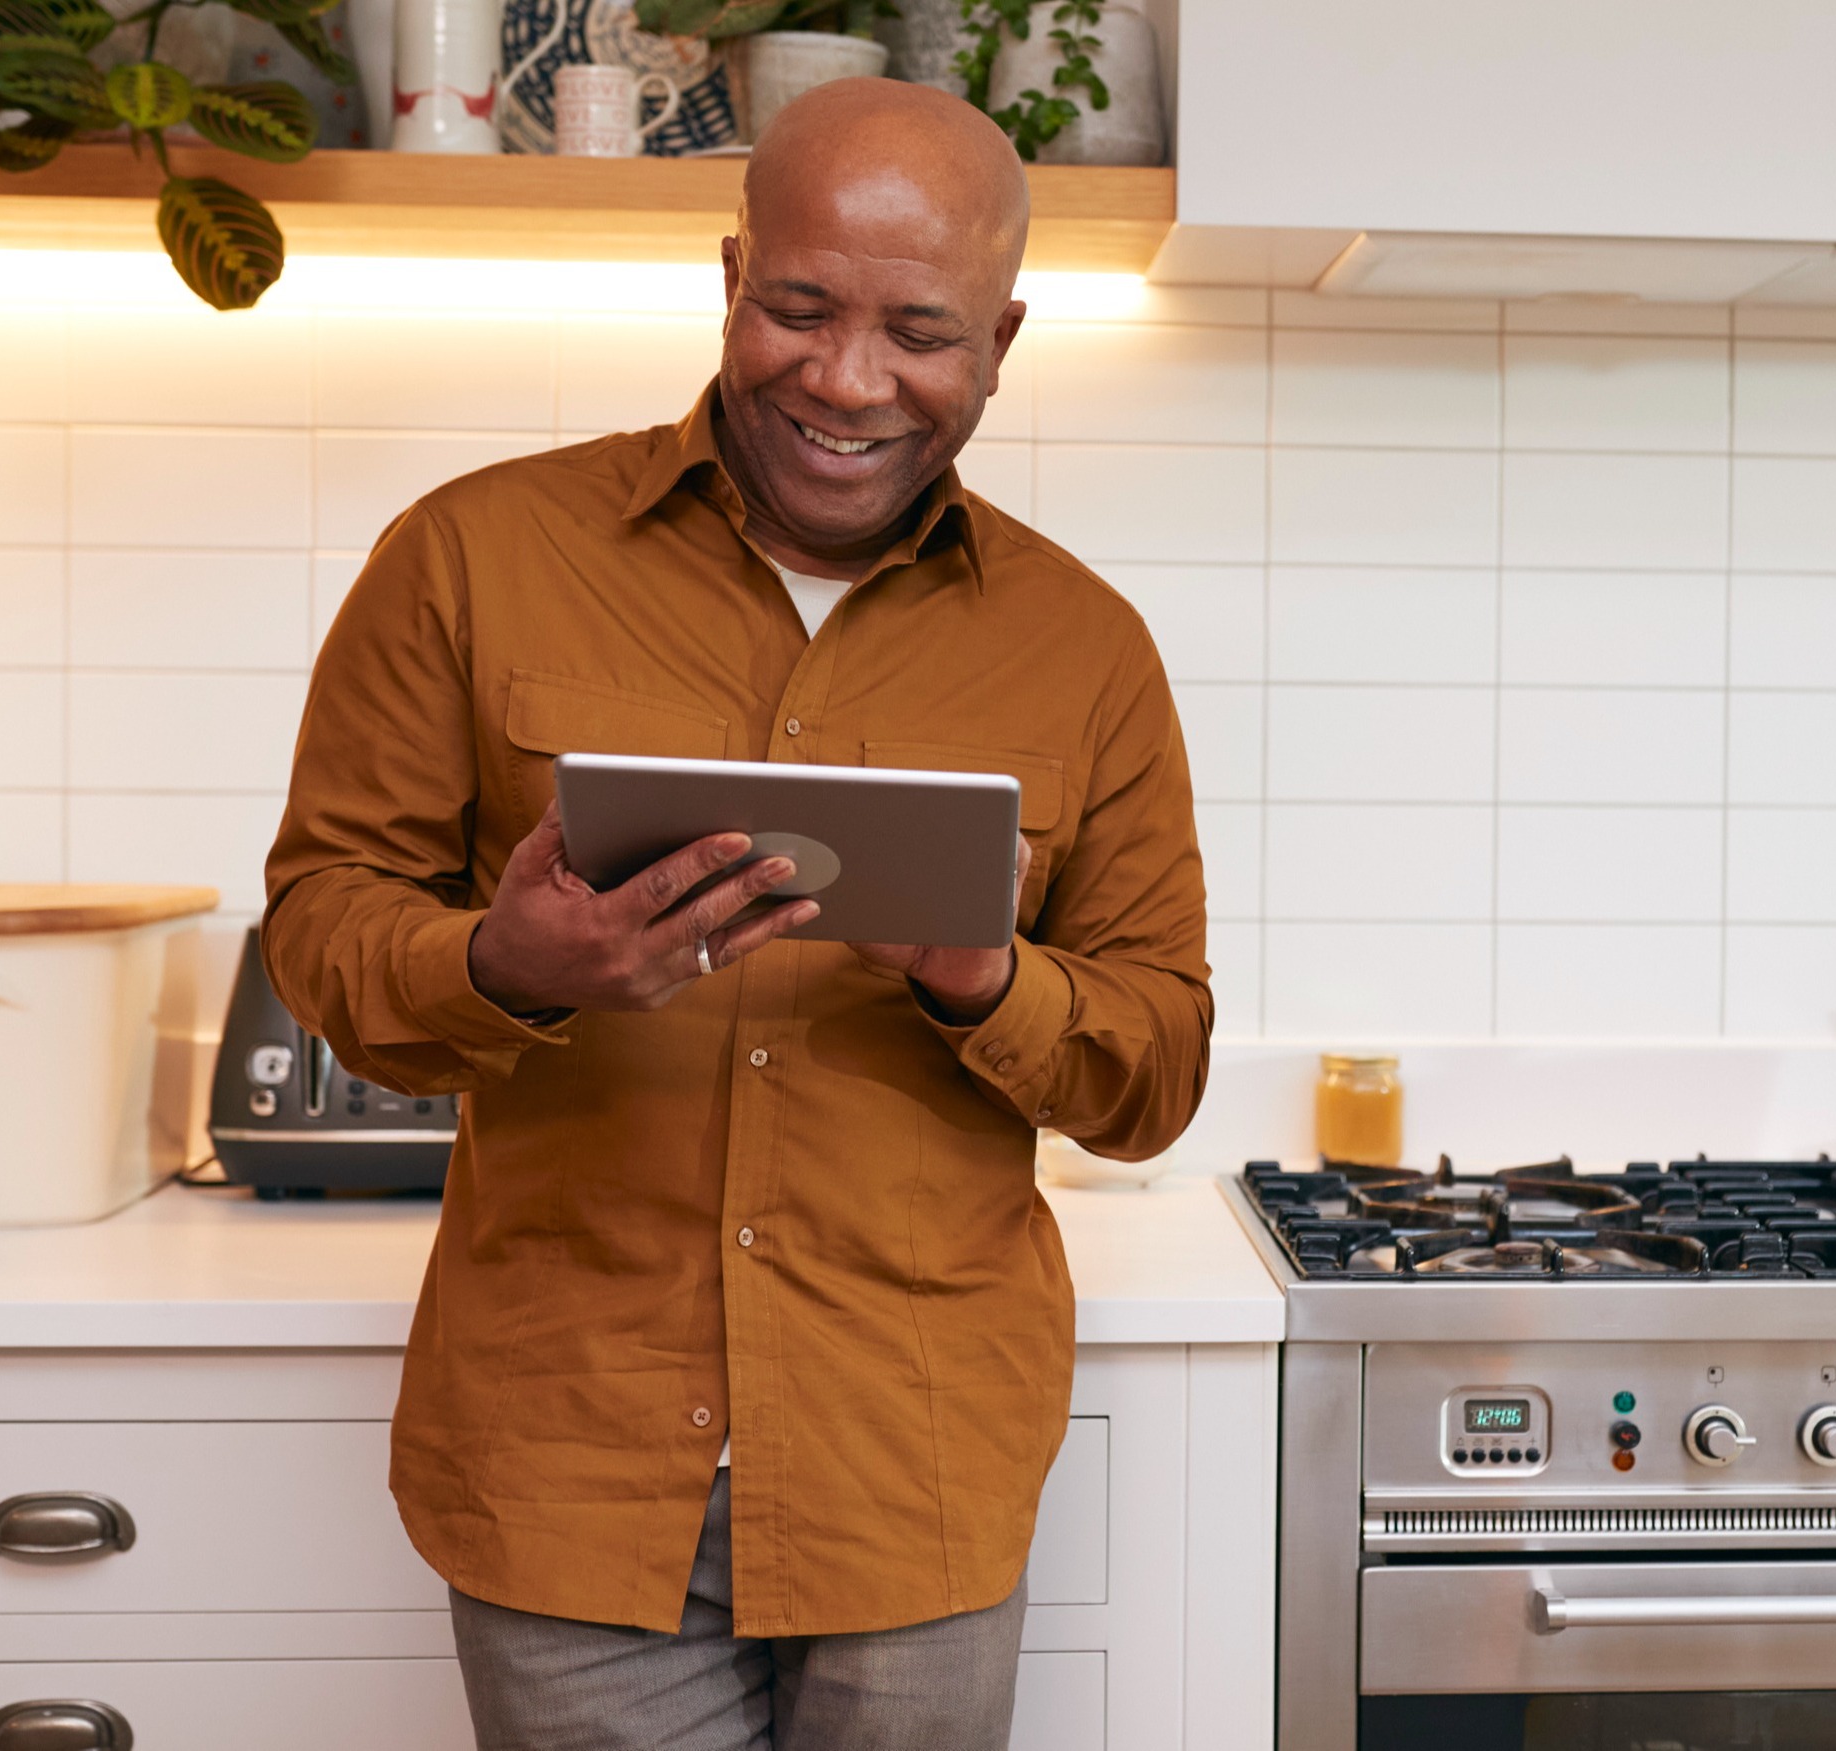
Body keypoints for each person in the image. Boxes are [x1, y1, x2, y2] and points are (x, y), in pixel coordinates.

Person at [259, 77, 1211, 1751]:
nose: (846, 381)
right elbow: (323, 927)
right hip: (564, 1459)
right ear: (728, 275)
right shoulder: (470, 556)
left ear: (1002, 340)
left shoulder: (1087, 648)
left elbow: (1157, 1067)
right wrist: (505, 963)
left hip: (908, 1469)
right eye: (798, 308)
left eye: (919, 331)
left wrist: (990, 985)